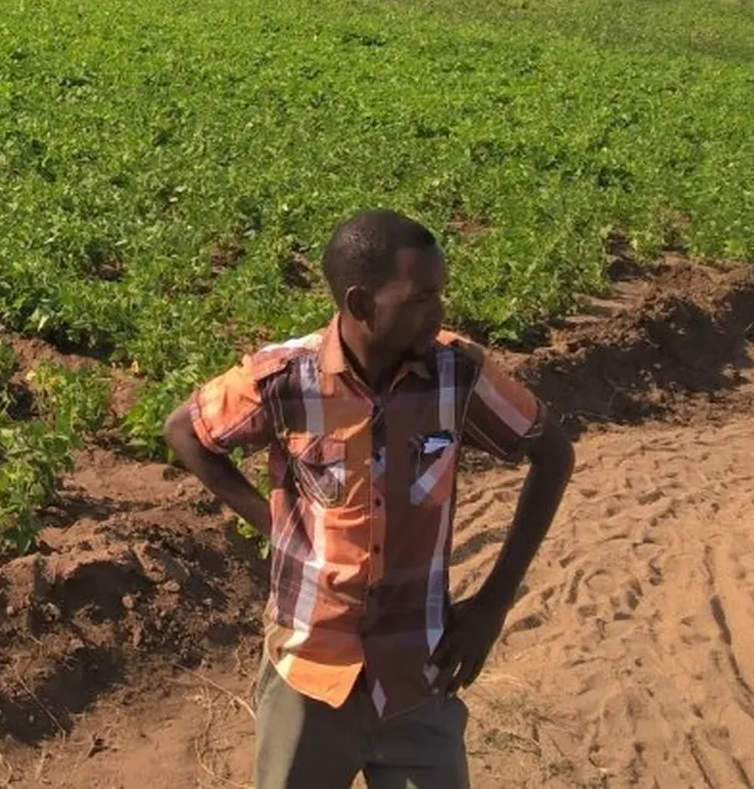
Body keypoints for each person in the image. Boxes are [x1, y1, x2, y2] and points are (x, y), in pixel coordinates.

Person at [165, 210, 574, 789]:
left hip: (418, 677)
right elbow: (186, 431)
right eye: (421, 298)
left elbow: (552, 453)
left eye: (441, 294)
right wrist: (276, 524)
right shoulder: (288, 379)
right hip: (308, 672)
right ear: (360, 304)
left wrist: (494, 602)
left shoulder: (457, 375)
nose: (439, 313)